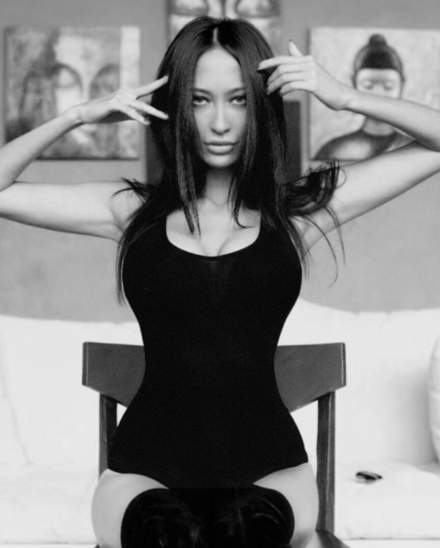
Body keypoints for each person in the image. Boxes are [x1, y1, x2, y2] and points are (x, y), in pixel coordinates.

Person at [1, 15, 440, 548]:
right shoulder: (131, 211)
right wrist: (76, 116)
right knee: (167, 535)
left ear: (261, 107)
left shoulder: (297, 213)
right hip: (144, 472)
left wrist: (344, 97)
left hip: (271, 470)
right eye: (200, 101)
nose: (220, 123)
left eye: (239, 100)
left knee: (243, 531)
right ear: (177, 108)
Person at [315, 33, 412, 161]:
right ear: (354, 83)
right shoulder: (334, 150)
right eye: (368, 85)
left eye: (388, 86)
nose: (378, 94)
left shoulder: (412, 148)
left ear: (402, 85)